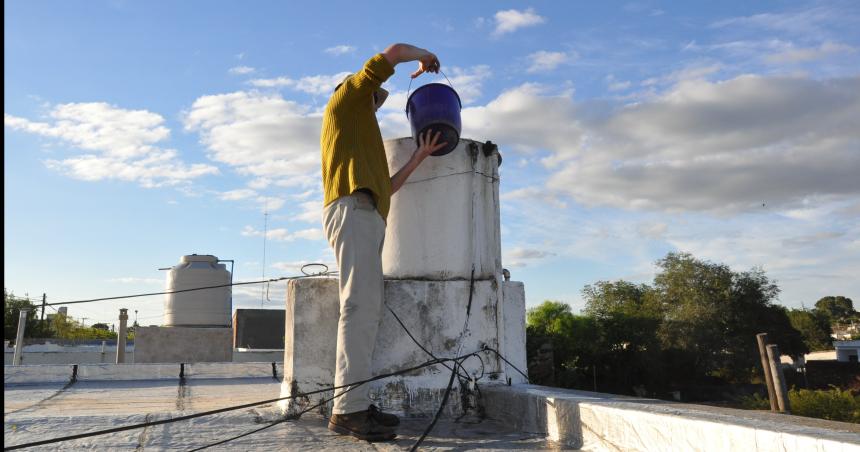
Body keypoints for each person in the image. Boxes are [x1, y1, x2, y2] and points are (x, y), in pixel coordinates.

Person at [320, 43, 448, 441]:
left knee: (367, 310)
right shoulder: (345, 102)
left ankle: (355, 401)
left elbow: (386, 188)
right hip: (354, 210)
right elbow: (392, 52)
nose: (378, 103)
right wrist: (425, 55)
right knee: (359, 309)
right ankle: (348, 411)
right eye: (376, 97)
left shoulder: (363, 138)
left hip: (369, 213)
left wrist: (419, 157)